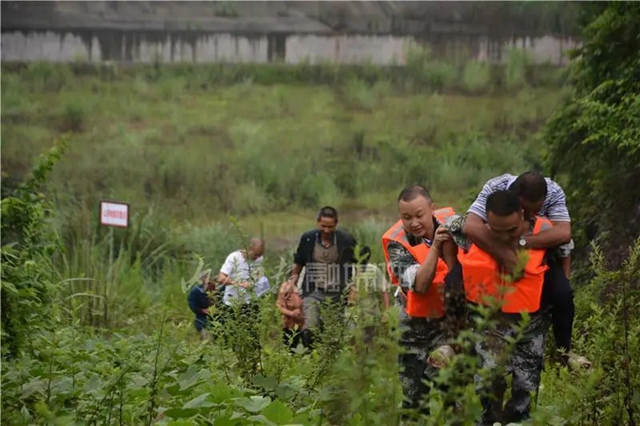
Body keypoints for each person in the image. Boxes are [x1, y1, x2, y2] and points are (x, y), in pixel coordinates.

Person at [456, 190, 553, 424]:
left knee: (525, 390)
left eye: (511, 230)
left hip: (529, 327)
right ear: (486, 222)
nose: (504, 237)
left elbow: (561, 269)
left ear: (522, 214)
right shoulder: (470, 234)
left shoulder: (545, 232)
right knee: (488, 387)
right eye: (496, 231)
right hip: (490, 325)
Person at [462, 172, 579, 362]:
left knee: (563, 294)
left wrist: (522, 242)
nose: (530, 215)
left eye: (537, 210)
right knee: (453, 281)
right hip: (492, 250)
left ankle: (564, 352)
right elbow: (471, 226)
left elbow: (563, 233)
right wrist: (504, 254)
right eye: (526, 209)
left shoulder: (554, 191)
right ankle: (459, 344)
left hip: (535, 258)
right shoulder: (496, 186)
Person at [381, 185, 458, 413]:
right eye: (406, 217)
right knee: (414, 399)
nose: (413, 222)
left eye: (419, 215)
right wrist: (435, 247)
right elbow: (421, 285)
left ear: (431, 209)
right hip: (412, 327)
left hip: (447, 322)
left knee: (454, 393)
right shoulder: (397, 243)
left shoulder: (452, 224)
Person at [289, 206, 357, 349]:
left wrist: (354, 288)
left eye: (330, 227)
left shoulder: (346, 240)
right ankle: (310, 358)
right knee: (310, 327)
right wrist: (291, 283)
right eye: (323, 226)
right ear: (318, 222)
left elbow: (359, 264)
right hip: (314, 290)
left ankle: (330, 360)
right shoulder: (308, 238)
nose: (326, 230)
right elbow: (299, 263)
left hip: (337, 292)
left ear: (336, 224)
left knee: (335, 330)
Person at [276, 279, 305, 352]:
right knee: (291, 345)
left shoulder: (307, 287)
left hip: (305, 323)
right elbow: (279, 306)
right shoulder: (286, 286)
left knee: (307, 344)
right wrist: (291, 313)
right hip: (291, 324)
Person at [187, 271, 217, 340]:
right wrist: (203, 310)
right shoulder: (197, 291)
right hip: (203, 320)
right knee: (208, 339)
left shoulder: (217, 290)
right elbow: (193, 305)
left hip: (218, 320)